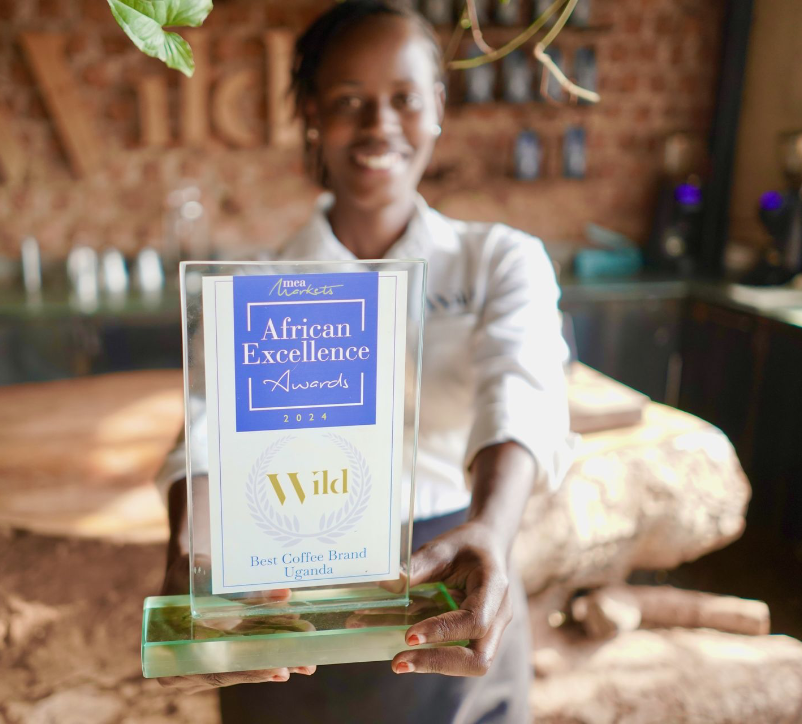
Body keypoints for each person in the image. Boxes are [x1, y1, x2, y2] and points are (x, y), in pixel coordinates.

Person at [153, 2, 574, 721]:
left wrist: (492, 531)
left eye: (404, 99)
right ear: (312, 113)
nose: (380, 124)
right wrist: (192, 546)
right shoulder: (253, 285)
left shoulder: (500, 260)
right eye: (350, 101)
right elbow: (205, 429)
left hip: (458, 571)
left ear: (437, 108)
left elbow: (520, 392)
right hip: (288, 600)